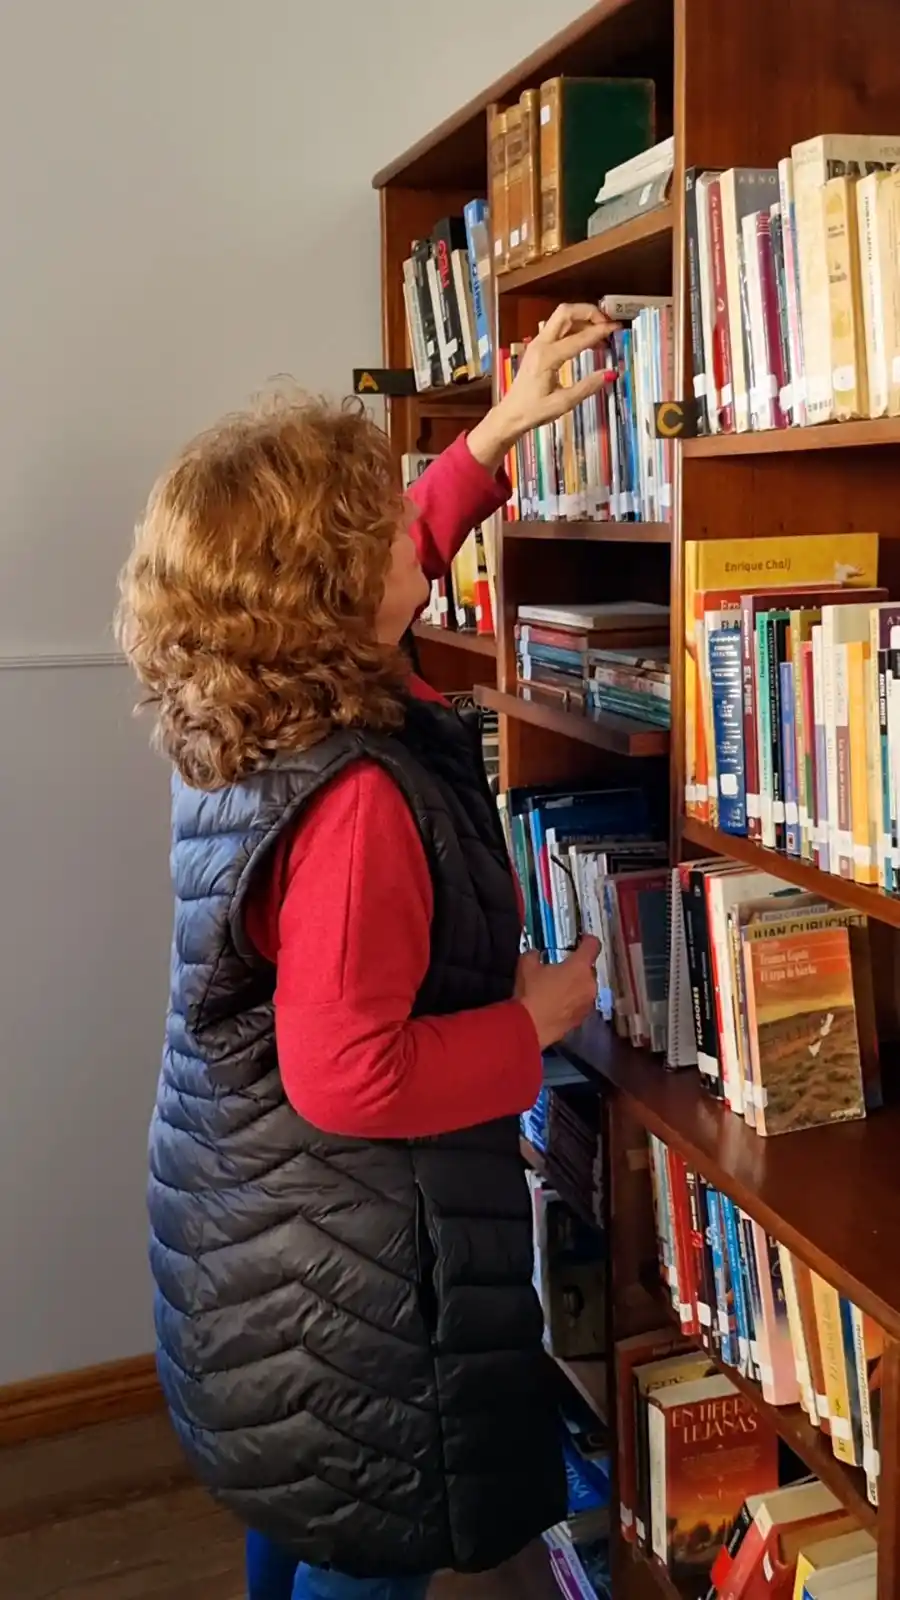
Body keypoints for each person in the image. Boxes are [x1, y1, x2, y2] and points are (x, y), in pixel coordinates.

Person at [116, 303, 615, 1600]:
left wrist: (494, 438)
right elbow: (351, 1075)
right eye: (384, 527)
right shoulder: (357, 804)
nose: (418, 535)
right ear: (328, 594)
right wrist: (538, 1019)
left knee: (300, 1508)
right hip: (353, 1288)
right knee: (365, 1545)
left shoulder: (248, 709)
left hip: (257, 1246)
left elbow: (402, 561)